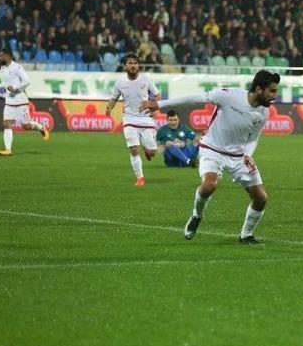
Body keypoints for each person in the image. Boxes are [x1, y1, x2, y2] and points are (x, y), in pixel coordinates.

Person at [140, 70, 281, 244]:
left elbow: (254, 137)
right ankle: (196, 216)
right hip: (212, 149)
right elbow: (195, 99)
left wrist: (247, 155)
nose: (275, 95)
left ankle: (246, 235)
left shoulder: (263, 112)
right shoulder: (229, 95)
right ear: (259, 90)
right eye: (272, 91)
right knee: (209, 185)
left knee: (261, 199)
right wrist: (160, 104)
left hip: (238, 156)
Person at [105, 53, 161, 186]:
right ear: (125, 66)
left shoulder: (146, 79)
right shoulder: (120, 82)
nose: (133, 65)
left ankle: (148, 151)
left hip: (146, 118)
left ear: (139, 66)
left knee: (152, 152)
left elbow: (157, 94)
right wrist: (108, 108)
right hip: (129, 119)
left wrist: (156, 108)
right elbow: (114, 98)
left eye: (135, 63)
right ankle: (140, 178)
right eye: (130, 63)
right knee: (134, 149)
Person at [0, 48, 50, 156]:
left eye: (1, 56)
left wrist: (14, 87)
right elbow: (7, 81)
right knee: (6, 124)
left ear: (8, 56)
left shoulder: (17, 68)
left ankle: (41, 128)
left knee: (26, 126)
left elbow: (27, 81)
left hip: (20, 100)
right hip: (9, 100)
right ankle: (8, 150)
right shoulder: (3, 68)